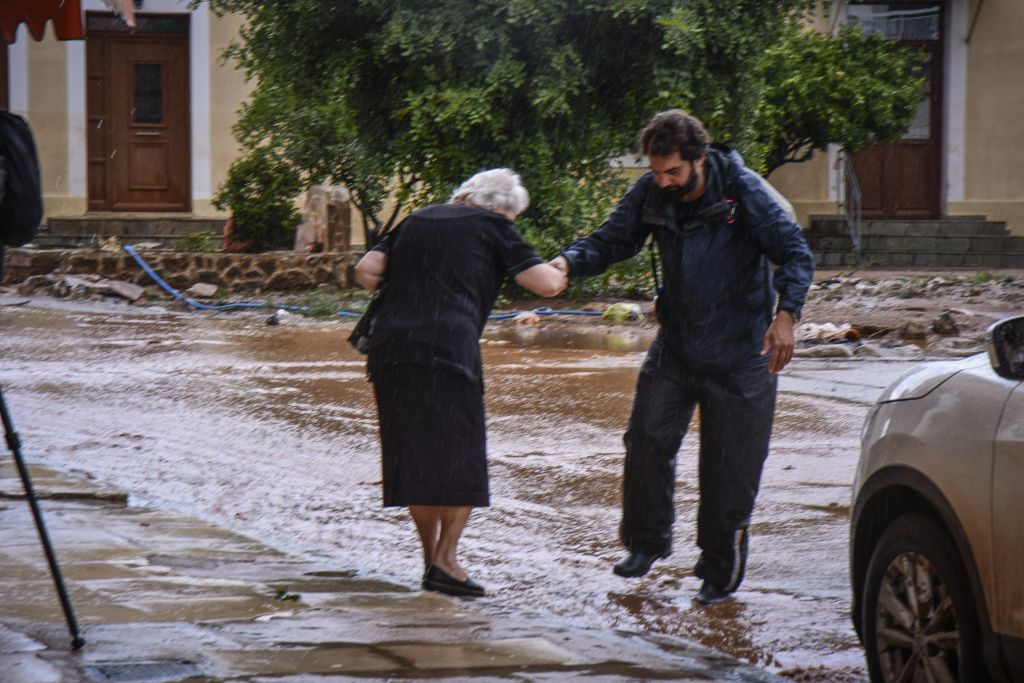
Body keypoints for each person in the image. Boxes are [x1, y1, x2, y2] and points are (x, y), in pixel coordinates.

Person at [550, 110, 814, 605]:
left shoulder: (744, 191)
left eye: (672, 172)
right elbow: (612, 240)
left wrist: (787, 315)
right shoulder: (652, 191)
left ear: (698, 160)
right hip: (677, 346)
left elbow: (796, 252)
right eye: (656, 172)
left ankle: (719, 568)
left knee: (727, 467)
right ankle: (646, 545)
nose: (663, 181)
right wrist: (565, 262)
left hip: (742, 353)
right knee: (646, 437)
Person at [354, 168, 567, 597]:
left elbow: (367, 271)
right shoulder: (493, 226)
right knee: (459, 455)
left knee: (414, 453)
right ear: (503, 208)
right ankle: (447, 560)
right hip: (447, 350)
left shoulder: (418, 218)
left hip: (391, 348)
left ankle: (430, 560)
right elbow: (545, 285)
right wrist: (564, 266)